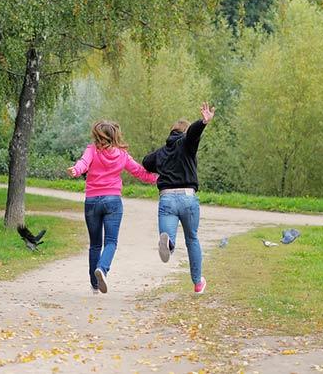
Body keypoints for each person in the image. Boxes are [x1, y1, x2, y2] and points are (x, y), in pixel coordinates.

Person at [67, 121, 158, 294]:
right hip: (113, 201)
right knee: (111, 242)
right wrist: (159, 179)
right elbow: (139, 172)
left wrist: (76, 171)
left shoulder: (92, 149)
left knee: (95, 245)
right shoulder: (122, 154)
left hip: (92, 201)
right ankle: (102, 268)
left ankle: (94, 285)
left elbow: (83, 163)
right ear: (114, 135)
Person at [142, 102, 215, 294]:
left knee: (169, 239)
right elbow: (192, 134)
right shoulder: (186, 143)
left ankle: (170, 244)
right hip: (188, 198)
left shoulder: (161, 152)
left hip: (167, 199)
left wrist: (162, 160)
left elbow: (146, 162)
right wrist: (203, 122)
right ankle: (198, 282)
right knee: (192, 238)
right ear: (184, 133)